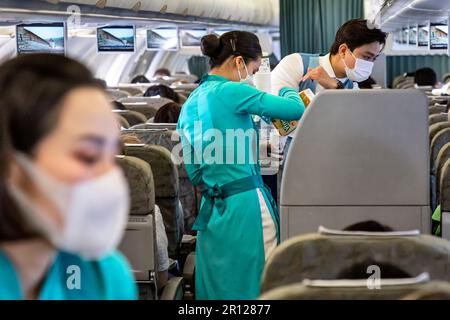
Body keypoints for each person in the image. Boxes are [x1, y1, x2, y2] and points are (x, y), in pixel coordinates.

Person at [177, 31, 305, 299]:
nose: (251, 75)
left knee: (219, 291)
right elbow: (295, 111)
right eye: (254, 68)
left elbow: (196, 173)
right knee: (261, 287)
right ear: (238, 62)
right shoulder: (233, 90)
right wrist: (287, 89)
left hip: (211, 213)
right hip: (247, 207)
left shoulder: (189, 104)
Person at [0, 54, 137, 300]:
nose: (110, 177)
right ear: (11, 165)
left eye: (112, 157)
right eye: (88, 156)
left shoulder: (105, 277)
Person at [271, 19, 388, 95]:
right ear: (343, 51)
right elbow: (276, 116)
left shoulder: (352, 86)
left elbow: (352, 120)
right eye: (367, 57)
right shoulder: (296, 63)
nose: (370, 65)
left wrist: (334, 87)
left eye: (374, 59)